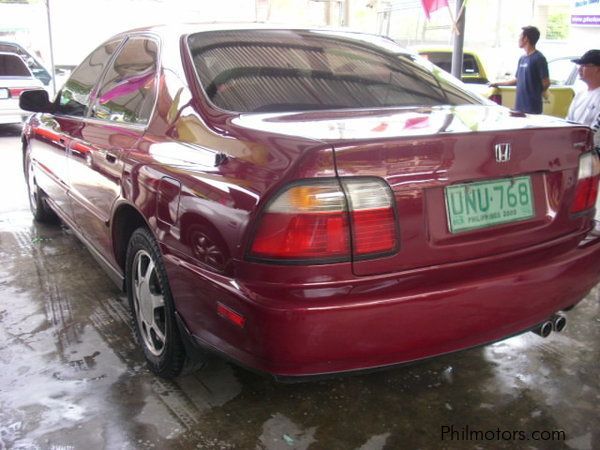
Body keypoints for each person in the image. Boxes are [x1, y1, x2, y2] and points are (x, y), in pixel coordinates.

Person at [490, 26, 550, 114]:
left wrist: (534, 93)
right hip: (520, 106)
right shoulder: (522, 58)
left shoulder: (539, 58)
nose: (518, 39)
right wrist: (497, 83)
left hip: (532, 108)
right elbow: (518, 80)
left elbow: (546, 83)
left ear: (526, 38)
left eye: (520, 36)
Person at [566, 49, 600, 149]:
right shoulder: (580, 95)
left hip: (592, 151)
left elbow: (595, 132)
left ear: (598, 69)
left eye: (584, 65)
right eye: (579, 66)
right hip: (575, 149)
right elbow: (568, 122)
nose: (579, 69)